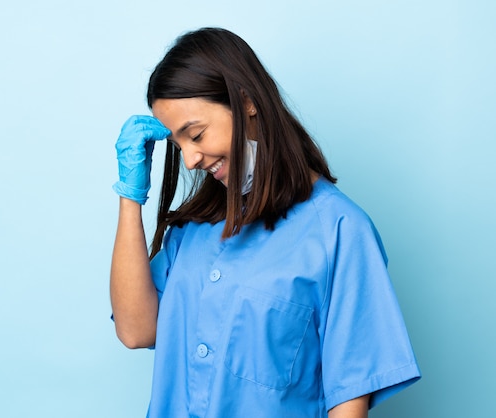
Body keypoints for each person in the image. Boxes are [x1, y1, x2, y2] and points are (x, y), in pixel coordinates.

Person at [110, 27, 420, 418]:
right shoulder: (192, 229)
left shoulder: (339, 230)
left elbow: (348, 402)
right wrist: (130, 198)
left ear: (247, 101)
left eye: (197, 134)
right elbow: (136, 331)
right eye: (178, 144)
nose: (189, 160)